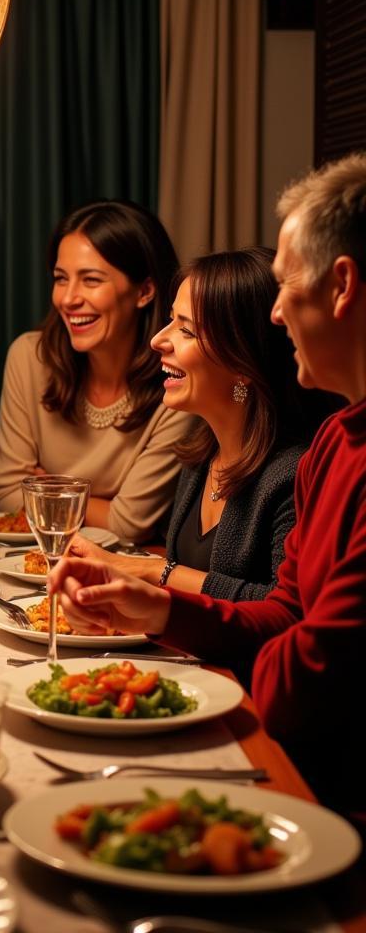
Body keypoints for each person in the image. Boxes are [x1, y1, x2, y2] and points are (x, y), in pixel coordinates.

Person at [50, 153, 366, 819]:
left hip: (318, 780)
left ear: (341, 286)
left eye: (288, 284)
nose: (279, 313)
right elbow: (286, 615)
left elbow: (307, 667)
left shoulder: (307, 458)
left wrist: (160, 581)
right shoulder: (336, 444)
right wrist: (159, 609)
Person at [70, 247, 336, 601]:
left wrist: (152, 569)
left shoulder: (296, 474)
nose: (158, 340)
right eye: (170, 321)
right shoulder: (201, 455)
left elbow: (283, 609)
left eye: (187, 331)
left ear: (244, 363)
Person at [0, 200, 190, 543]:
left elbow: (129, 524)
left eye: (91, 280)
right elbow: (8, 492)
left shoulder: (176, 383)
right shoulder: (29, 357)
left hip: (125, 575)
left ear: (144, 291)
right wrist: (104, 506)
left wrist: (47, 488)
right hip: (30, 562)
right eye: (60, 278)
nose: (68, 299)